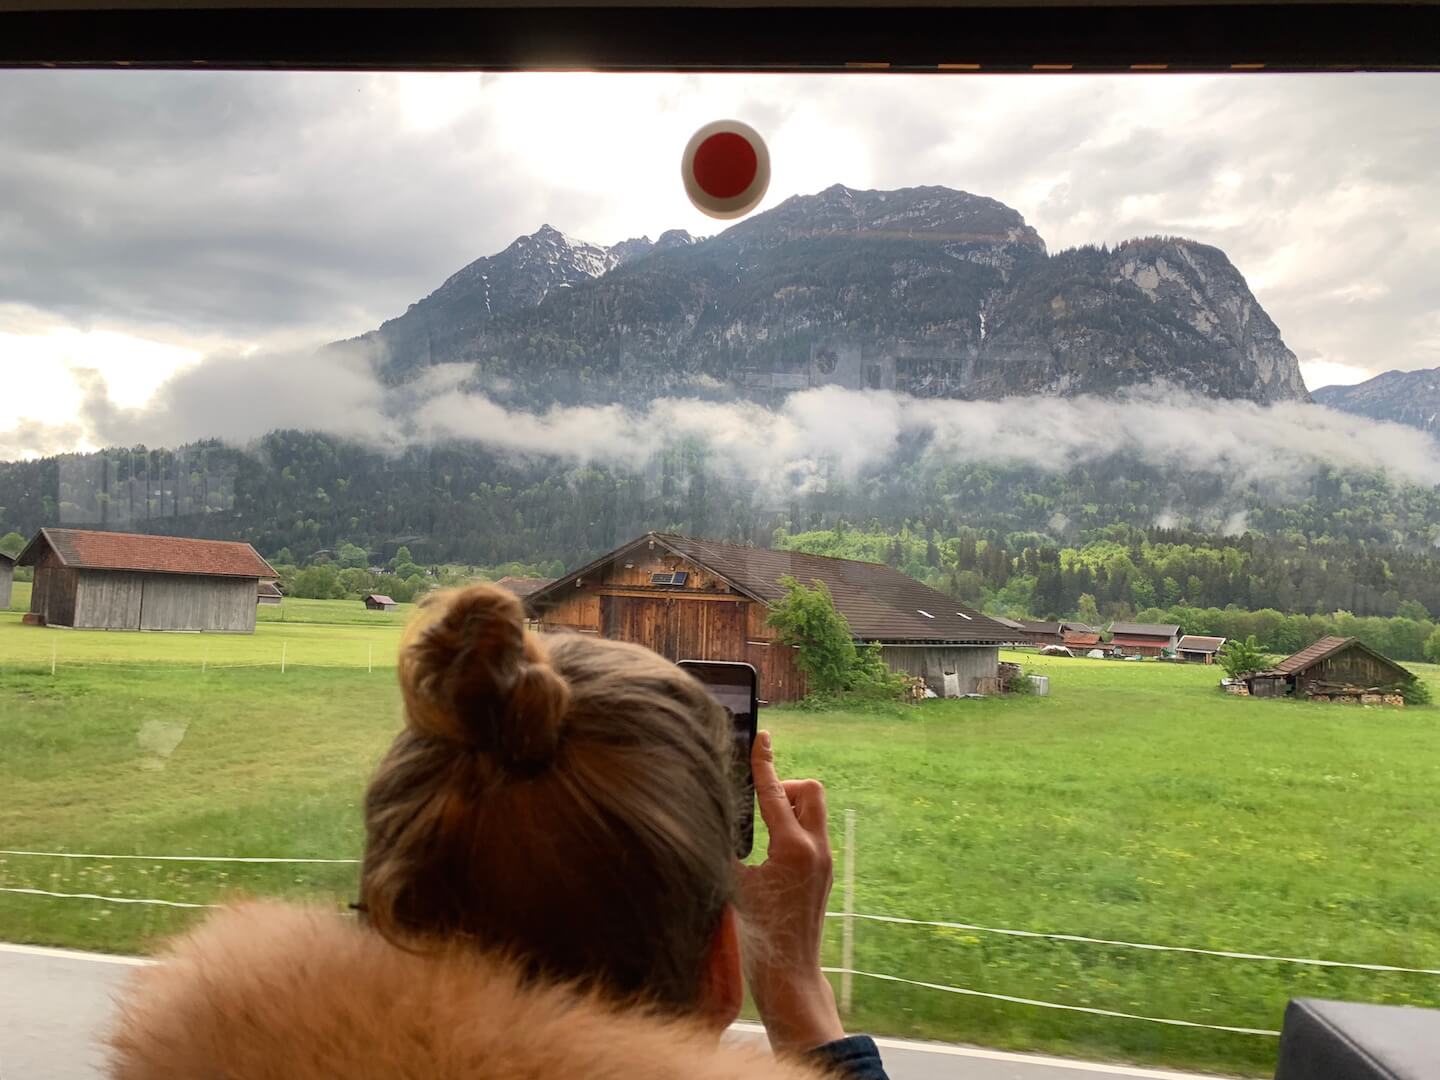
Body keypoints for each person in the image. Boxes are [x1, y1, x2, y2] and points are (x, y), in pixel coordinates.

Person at [109, 583, 889, 1080]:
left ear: (380, 907)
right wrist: (797, 987)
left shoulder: (211, 1052)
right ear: (721, 970)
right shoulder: (743, 977)